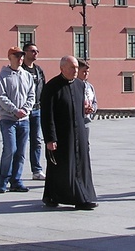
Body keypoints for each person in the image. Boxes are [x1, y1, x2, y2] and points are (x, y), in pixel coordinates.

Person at [41, 56, 98, 210]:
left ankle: (83, 196)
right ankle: (54, 195)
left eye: (76, 68)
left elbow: (77, 108)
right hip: (61, 134)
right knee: (58, 167)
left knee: (81, 165)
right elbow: (47, 115)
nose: (75, 71)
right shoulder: (51, 87)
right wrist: (50, 138)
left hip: (78, 133)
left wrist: (85, 110)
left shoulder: (80, 85)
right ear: (62, 69)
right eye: (72, 68)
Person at [0, 46, 35, 193]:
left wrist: (25, 109)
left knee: (21, 152)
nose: (20, 59)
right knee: (10, 149)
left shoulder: (27, 76)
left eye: (21, 56)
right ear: (10, 57)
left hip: (24, 119)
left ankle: (16, 180)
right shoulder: (3, 76)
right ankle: (3, 180)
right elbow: (1, 97)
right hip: (8, 119)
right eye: (16, 56)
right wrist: (14, 110)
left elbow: (32, 95)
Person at [22, 43, 46, 180]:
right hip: (23, 110)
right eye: (33, 51)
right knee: (21, 141)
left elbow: (44, 89)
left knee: (36, 140)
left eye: (37, 51)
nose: (36, 53)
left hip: (37, 109)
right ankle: (15, 170)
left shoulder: (38, 70)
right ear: (25, 53)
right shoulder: (20, 70)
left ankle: (36, 170)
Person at [78, 60, 98, 132]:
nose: (86, 74)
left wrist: (92, 108)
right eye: (84, 71)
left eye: (88, 72)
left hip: (86, 123)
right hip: (76, 123)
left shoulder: (90, 87)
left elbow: (95, 102)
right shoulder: (74, 86)